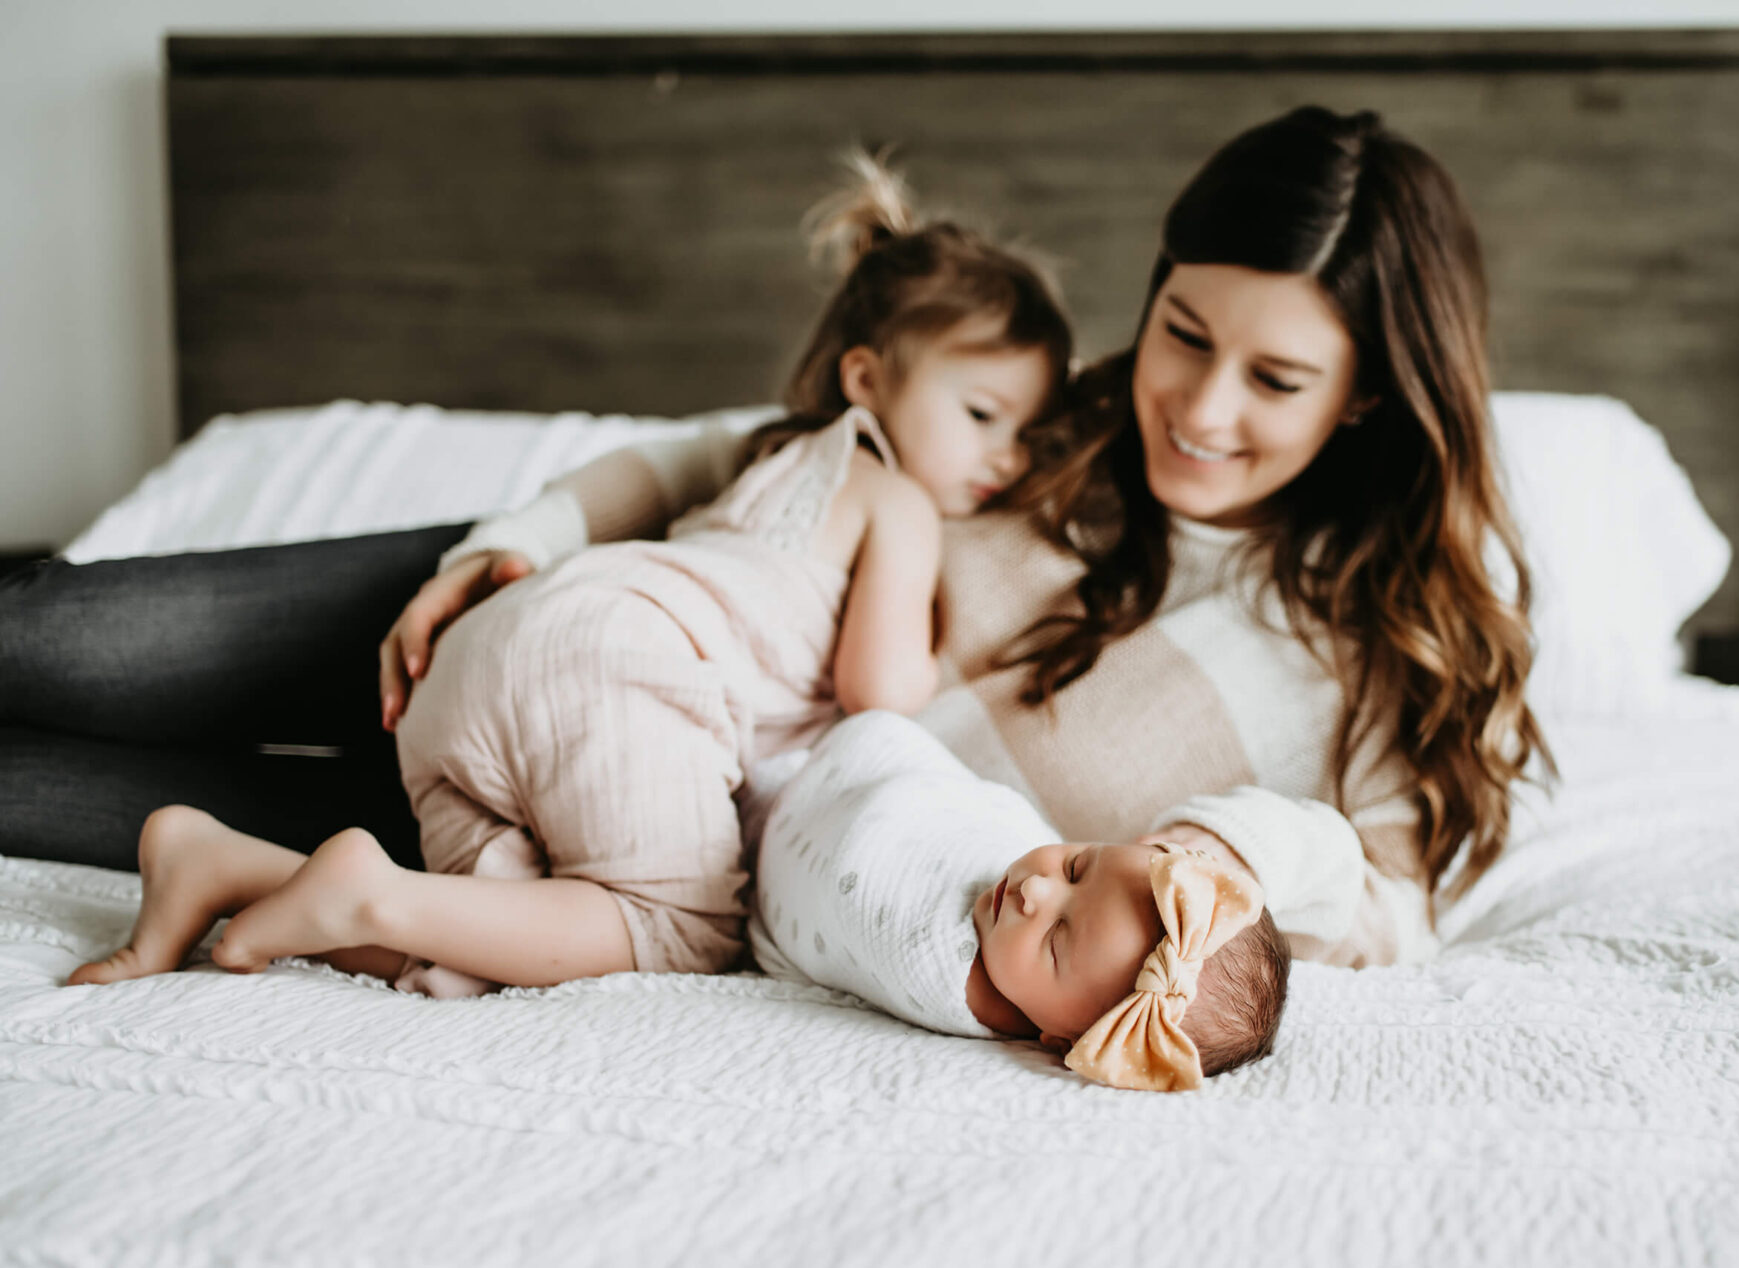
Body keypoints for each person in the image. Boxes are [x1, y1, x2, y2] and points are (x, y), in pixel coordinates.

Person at [8, 104, 1548, 973]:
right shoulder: (1034, 417)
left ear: (1368, 400)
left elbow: (1389, 914)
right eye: (1181, 333)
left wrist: (1221, 857)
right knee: (52, 636)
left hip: (633, 823)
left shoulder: (1370, 654)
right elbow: (737, 445)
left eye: (1275, 380)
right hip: (598, 594)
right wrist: (519, 535)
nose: (1197, 408)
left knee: (38, 791)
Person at [62, 154, 1074, 992]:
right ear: (865, 379)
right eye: (983, 416)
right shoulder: (893, 497)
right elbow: (879, 695)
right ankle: (361, 887)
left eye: (1030, 435)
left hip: (493, 652)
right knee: (682, 932)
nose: (1007, 458)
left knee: (493, 941)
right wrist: (942, 641)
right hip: (626, 668)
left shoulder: (768, 455)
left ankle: (224, 866)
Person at [750, 709, 1353, 1091]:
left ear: (1062, 1041)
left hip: (777, 850)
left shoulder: (961, 984)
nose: (1035, 889)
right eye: (1076, 865)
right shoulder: (1053, 929)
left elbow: (862, 880)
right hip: (830, 767)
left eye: (1057, 938)